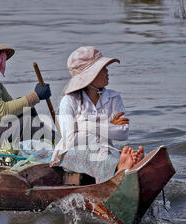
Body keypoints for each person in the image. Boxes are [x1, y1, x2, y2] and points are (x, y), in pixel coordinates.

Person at [52, 46, 144, 183]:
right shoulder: (69, 101)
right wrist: (108, 127)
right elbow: (70, 140)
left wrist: (84, 124)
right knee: (95, 155)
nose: (107, 72)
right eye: (102, 69)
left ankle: (125, 166)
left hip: (107, 150)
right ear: (90, 76)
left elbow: (123, 133)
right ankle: (120, 168)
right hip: (72, 154)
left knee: (107, 155)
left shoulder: (114, 98)